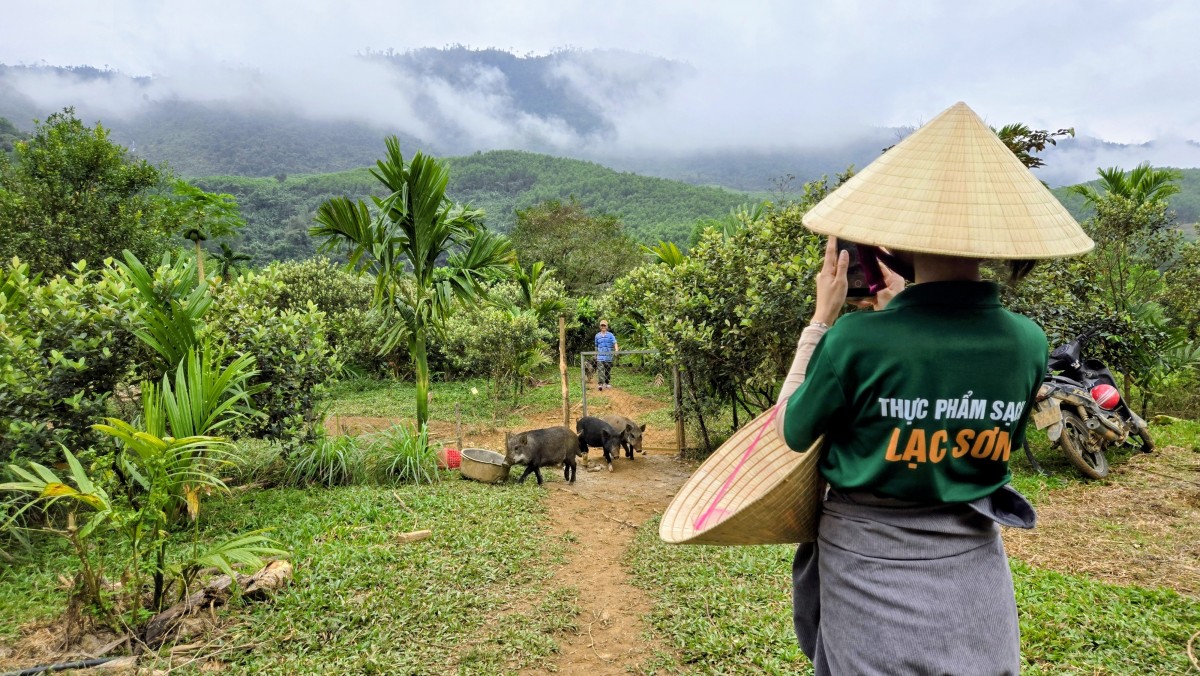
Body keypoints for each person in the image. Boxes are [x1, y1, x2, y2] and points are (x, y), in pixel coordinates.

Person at [774, 102, 1094, 675]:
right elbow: (990, 433)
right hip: (973, 564)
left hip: (867, 562)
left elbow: (792, 431)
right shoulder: (1027, 341)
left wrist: (821, 320)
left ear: (892, 244)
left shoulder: (856, 339)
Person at [594, 320, 619, 390]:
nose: (603, 327)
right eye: (602, 325)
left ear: (607, 326)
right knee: (600, 371)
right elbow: (596, 346)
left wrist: (616, 351)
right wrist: (595, 355)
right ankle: (600, 384)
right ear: (600, 327)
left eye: (604, 325)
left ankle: (607, 383)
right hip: (600, 357)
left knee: (607, 371)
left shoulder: (611, 335)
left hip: (608, 357)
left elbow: (615, 343)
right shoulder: (597, 335)